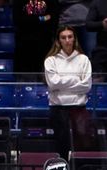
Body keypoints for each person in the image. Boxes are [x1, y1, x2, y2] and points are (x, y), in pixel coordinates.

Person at [45, 25, 92, 159]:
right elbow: (53, 83)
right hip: (58, 108)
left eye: (70, 37)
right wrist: (75, 79)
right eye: (63, 37)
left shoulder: (83, 59)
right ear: (58, 40)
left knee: (82, 146)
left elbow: (86, 86)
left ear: (74, 39)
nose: (67, 40)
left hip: (79, 108)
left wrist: (62, 83)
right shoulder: (51, 60)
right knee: (61, 146)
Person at [14, 0, 59, 80]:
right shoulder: (19, 2)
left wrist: (32, 19)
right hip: (24, 46)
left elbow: (52, 16)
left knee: (45, 79)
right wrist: (42, 18)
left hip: (45, 43)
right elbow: (18, 19)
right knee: (25, 80)